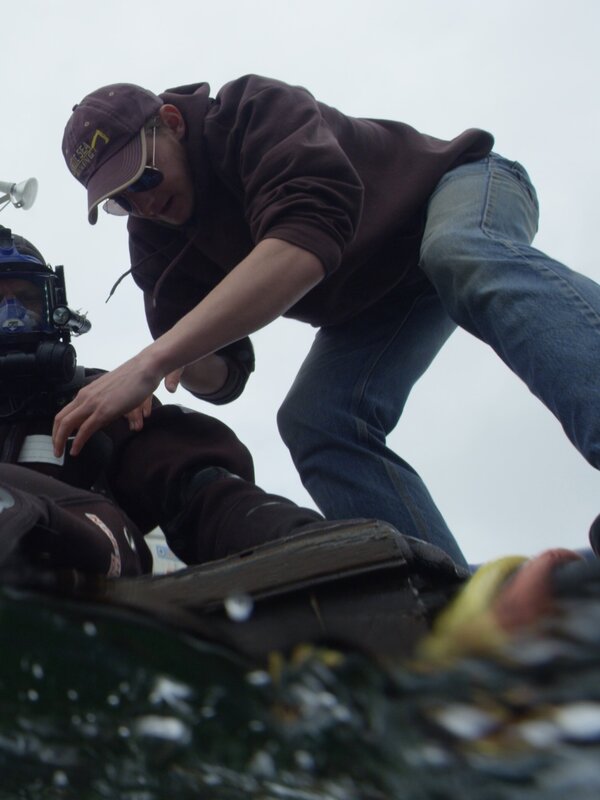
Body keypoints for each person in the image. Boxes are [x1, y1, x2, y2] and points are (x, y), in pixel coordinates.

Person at [57, 76, 600, 569]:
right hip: (382, 300)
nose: (145, 203)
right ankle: (437, 593)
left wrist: (153, 360)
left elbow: (307, 238)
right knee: (315, 419)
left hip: (457, 189)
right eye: (122, 200)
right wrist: (179, 365)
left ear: (173, 123)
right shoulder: (155, 239)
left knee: (459, 250)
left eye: (144, 176)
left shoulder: (250, 111)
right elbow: (225, 375)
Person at [0, 226, 337, 577]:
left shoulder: (100, 403)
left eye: (27, 299)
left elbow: (202, 496)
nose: (12, 316)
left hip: (73, 596)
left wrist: (296, 537)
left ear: (54, 307)